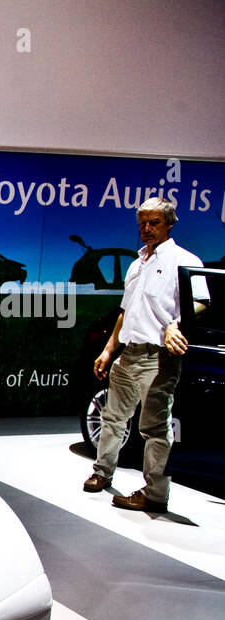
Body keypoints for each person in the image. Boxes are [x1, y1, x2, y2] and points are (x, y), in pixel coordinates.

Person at [85, 197, 207, 513]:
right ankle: (102, 473)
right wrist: (109, 349)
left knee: (154, 428)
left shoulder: (185, 260)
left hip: (159, 358)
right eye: (142, 223)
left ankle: (155, 494)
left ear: (169, 223)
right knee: (112, 418)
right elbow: (125, 312)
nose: (147, 229)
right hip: (128, 355)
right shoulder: (136, 264)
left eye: (153, 222)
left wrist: (175, 324)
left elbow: (203, 303)